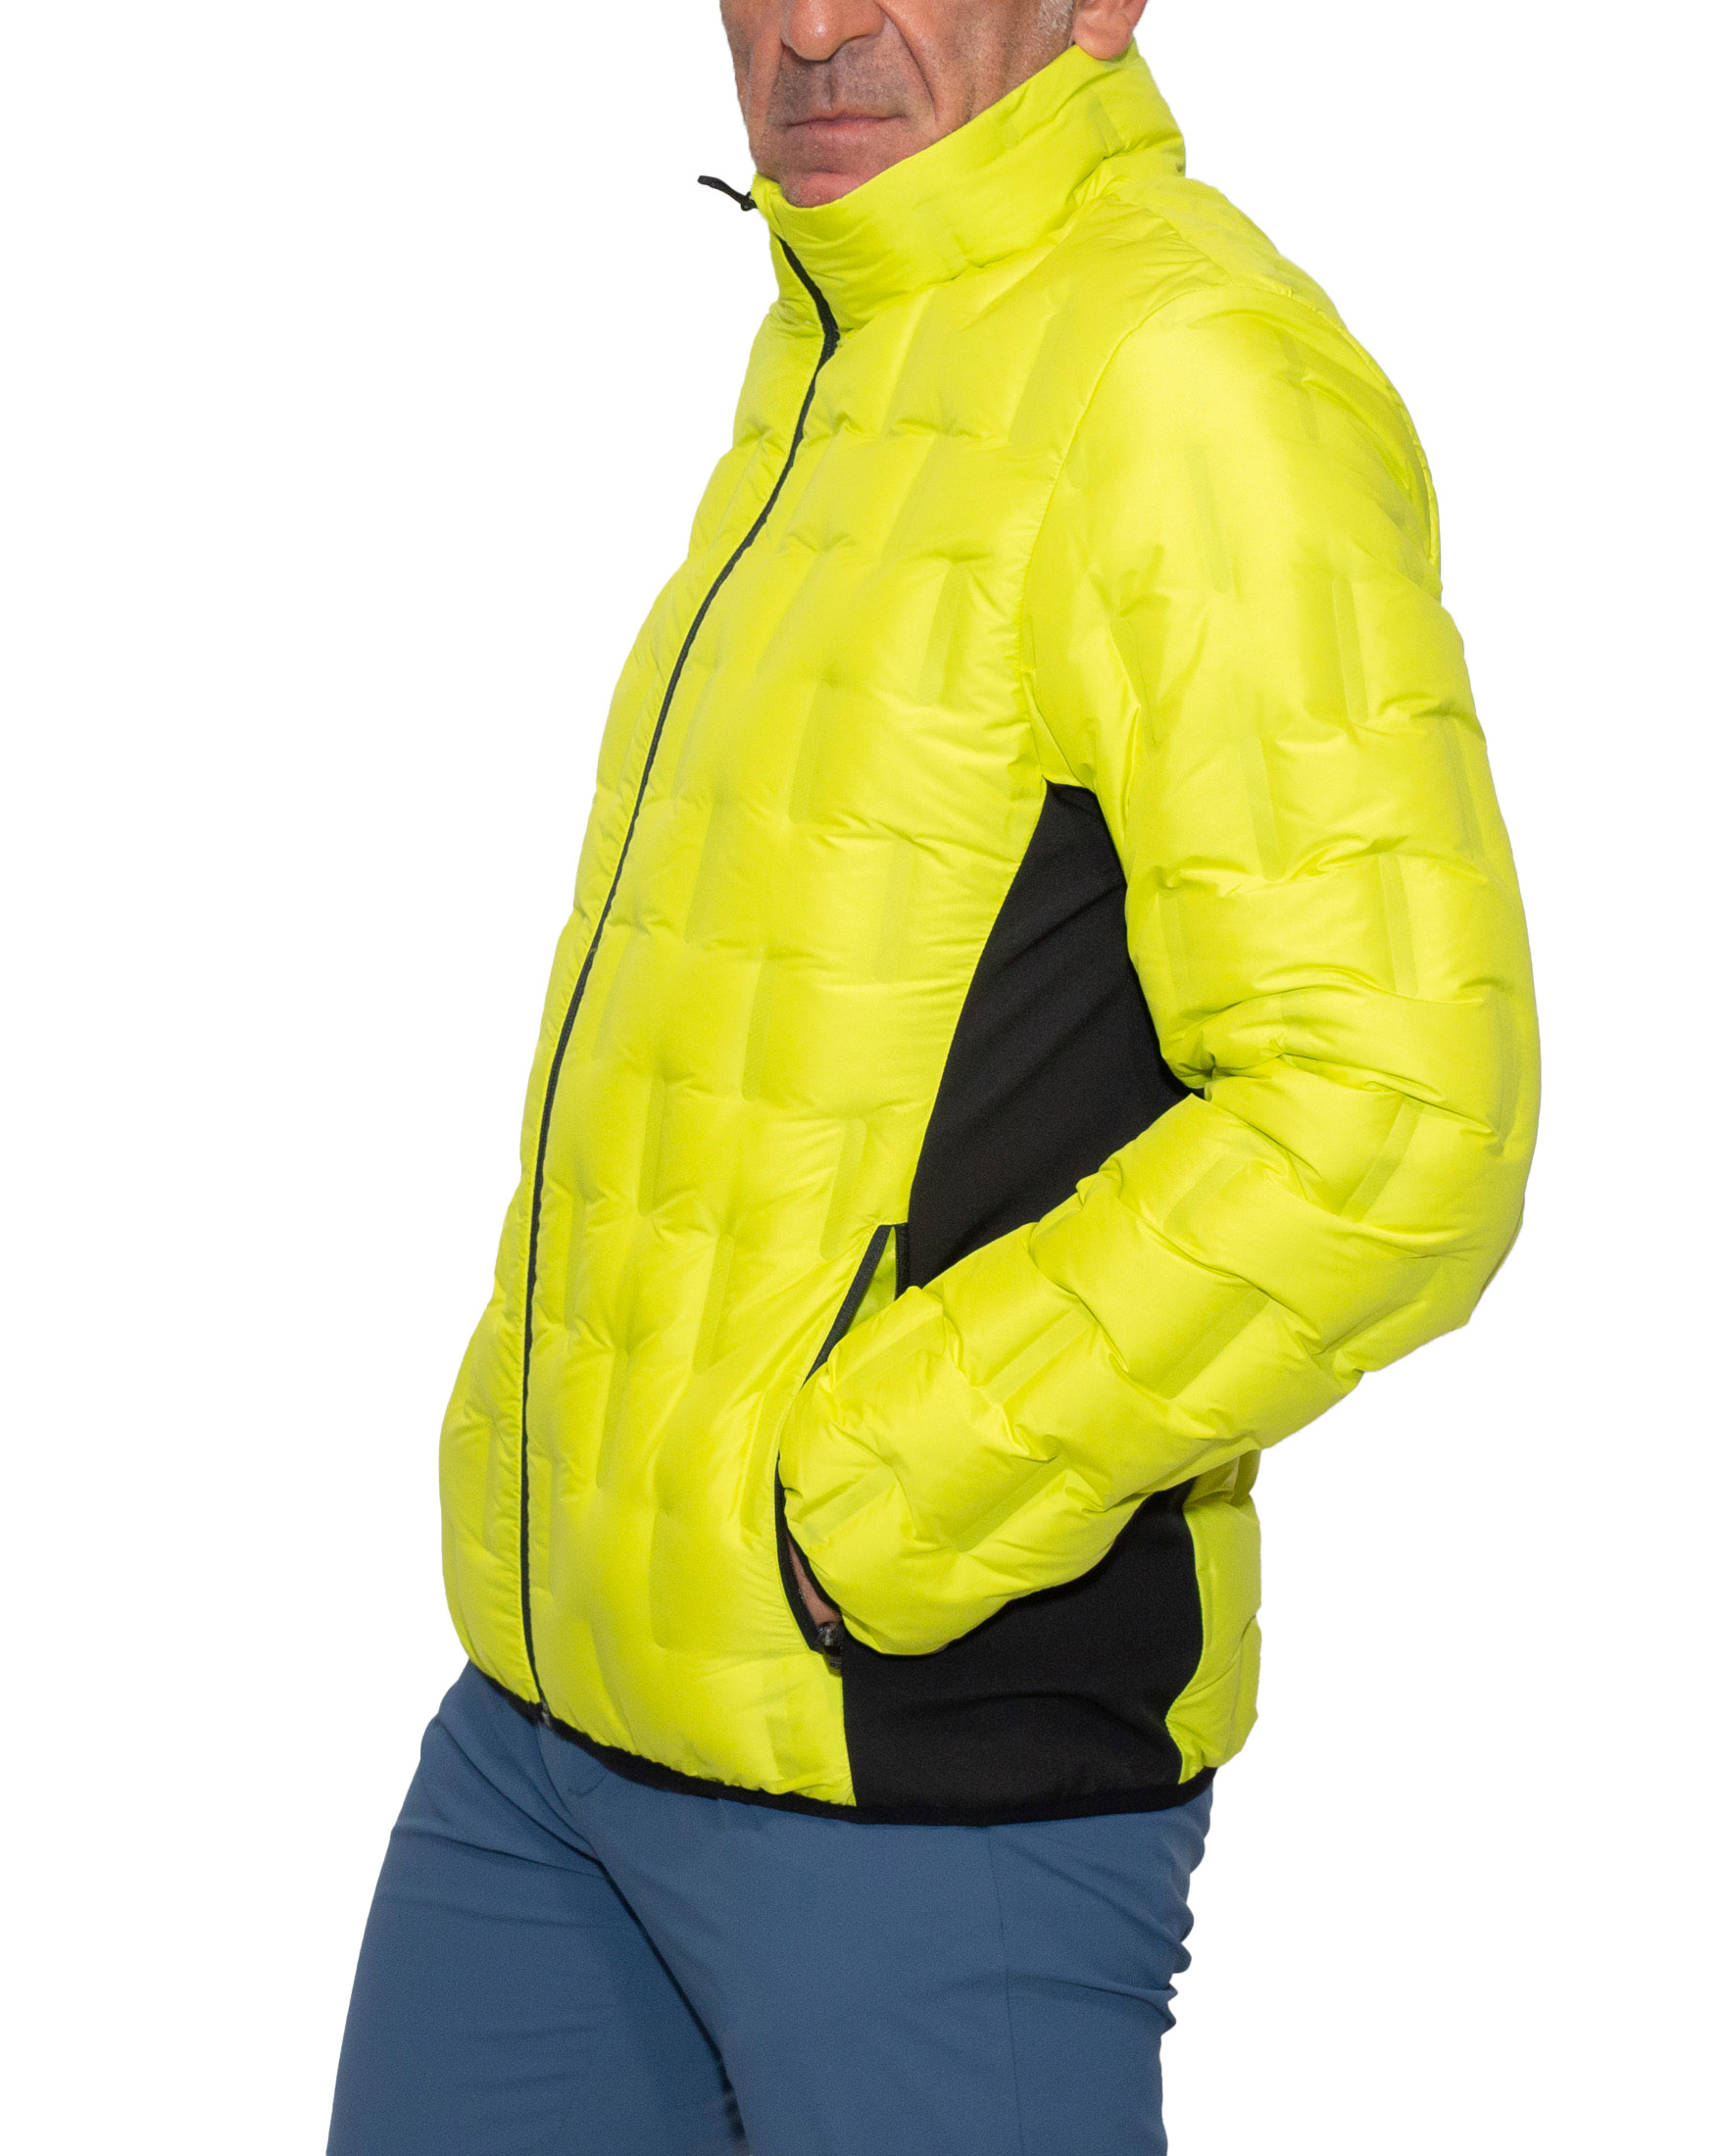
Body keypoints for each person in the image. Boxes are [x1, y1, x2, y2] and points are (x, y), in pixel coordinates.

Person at [327, 3, 1539, 2150]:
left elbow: (1392, 1114)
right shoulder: (851, 339)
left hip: (916, 1783)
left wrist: (869, 1507)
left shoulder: (1182, 377)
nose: (813, 30)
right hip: (553, 1724)